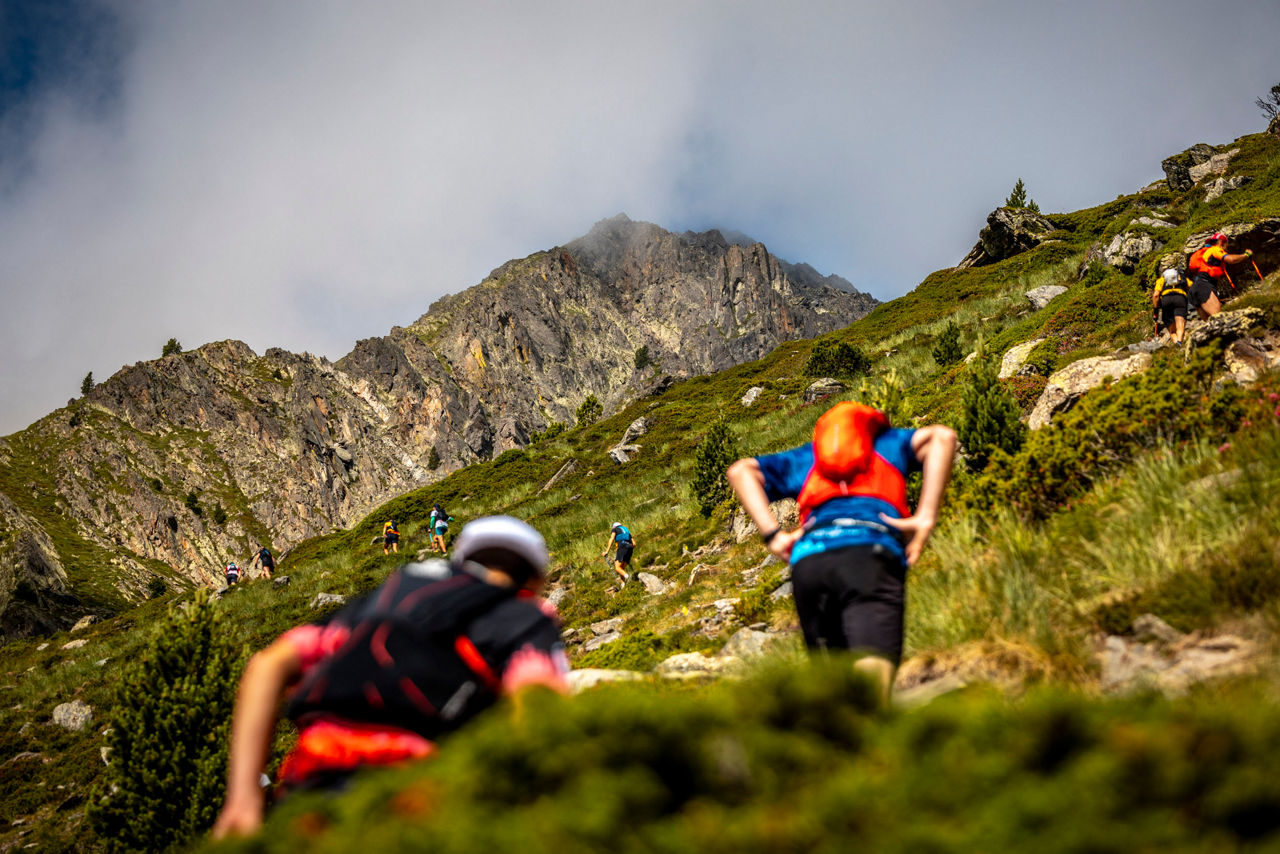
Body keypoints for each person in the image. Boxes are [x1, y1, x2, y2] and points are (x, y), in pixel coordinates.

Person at [211, 516, 568, 840]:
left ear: (461, 559)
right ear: (535, 580)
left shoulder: (392, 592)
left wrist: (242, 799)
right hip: (412, 798)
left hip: (309, 784)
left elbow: (267, 665)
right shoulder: (524, 614)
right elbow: (540, 704)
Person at [726, 401, 957, 706]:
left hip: (811, 564)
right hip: (869, 556)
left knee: (831, 692)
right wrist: (926, 515)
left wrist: (773, 536)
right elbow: (942, 437)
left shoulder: (809, 458)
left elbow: (741, 470)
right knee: (872, 692)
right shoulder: (888, 443)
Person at [1187, 232, 1255, 318]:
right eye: (1227, 244)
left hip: (1195, 288)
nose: (1227, 247)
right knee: (1219, 318)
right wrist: (1246, 255)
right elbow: (1231, 260)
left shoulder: (1203, 253)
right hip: (1204, 287)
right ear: (1221, 243)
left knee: (1210, 324)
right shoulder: (1215, 249)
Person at [1152, 267, 1191, 345]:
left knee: (1172, 330)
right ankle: (1179, 342)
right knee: (1180, 325)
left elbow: (1156, 295)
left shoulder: (1161, 280)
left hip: (1166, 300)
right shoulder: (1182, 278)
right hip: (1180, 299)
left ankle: (1176, 342)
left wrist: (1155, 310)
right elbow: (1192, 287)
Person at [601, 522, 634, 586]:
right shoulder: (626, 531)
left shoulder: (615, 529)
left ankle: (627, 576)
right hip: (630, 548)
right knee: (621, 568)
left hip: (622, 547)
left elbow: (612, 538)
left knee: (617, 567)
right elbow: (634, 543)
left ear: (614, 527)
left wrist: (606, 551)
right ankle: (623, 585)